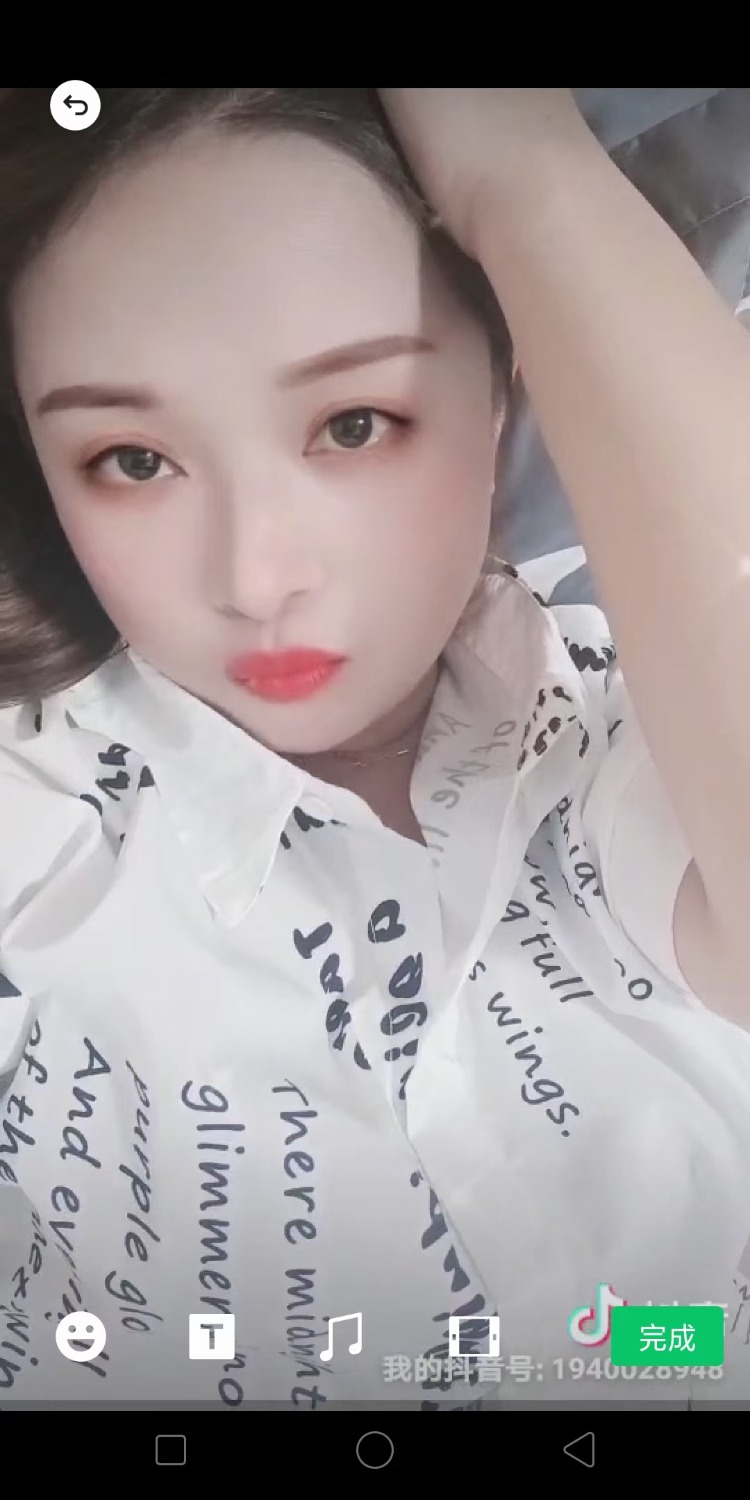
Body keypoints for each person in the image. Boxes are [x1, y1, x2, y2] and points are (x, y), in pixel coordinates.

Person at [0, 86, 749, 1410]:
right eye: (131, 460)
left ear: (505, 396)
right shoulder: (41, 814)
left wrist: (523, 175)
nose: (255, 577)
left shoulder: (625, 748)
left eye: (354, 424)